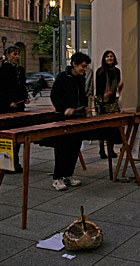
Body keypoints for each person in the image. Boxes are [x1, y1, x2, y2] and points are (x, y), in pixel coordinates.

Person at [50, 52, 92, 191]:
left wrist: (84, 107)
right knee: (63, 148)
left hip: (77, 117)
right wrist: (64, 109)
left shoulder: (81, 78)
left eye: (86, 67)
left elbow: (82, 95)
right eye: (83, 66)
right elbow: (54, 96)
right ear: (74, 64)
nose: (85, 69)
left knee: (75, 147)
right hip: (63, 118)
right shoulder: (63, 77)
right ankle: (57, 178)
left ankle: (68, 174)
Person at [0, 46, 30, 173]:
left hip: (19, 106)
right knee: (7, 136)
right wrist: (8, 101)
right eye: (14, 54)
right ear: (7, 55)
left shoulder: (19, 70)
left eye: (18, 54)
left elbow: (22, 85)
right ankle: (7, 164)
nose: (17, 57)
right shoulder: (1, 71)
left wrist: (25, 97)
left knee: (17, 136)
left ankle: (15, 162)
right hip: (6, 108)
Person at [95, 50, 124, 159]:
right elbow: (98, 88)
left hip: (112, 102)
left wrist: (117, 92)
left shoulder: (117, 71)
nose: (109, 58)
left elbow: (118, 86)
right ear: (104, 59)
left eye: (111, 56)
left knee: (112, 126)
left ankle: (111, 150)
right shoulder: (100, 71)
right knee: (102, 126)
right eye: (107, 56)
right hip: (101, 101)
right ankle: (102, 150)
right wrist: (104, 96)